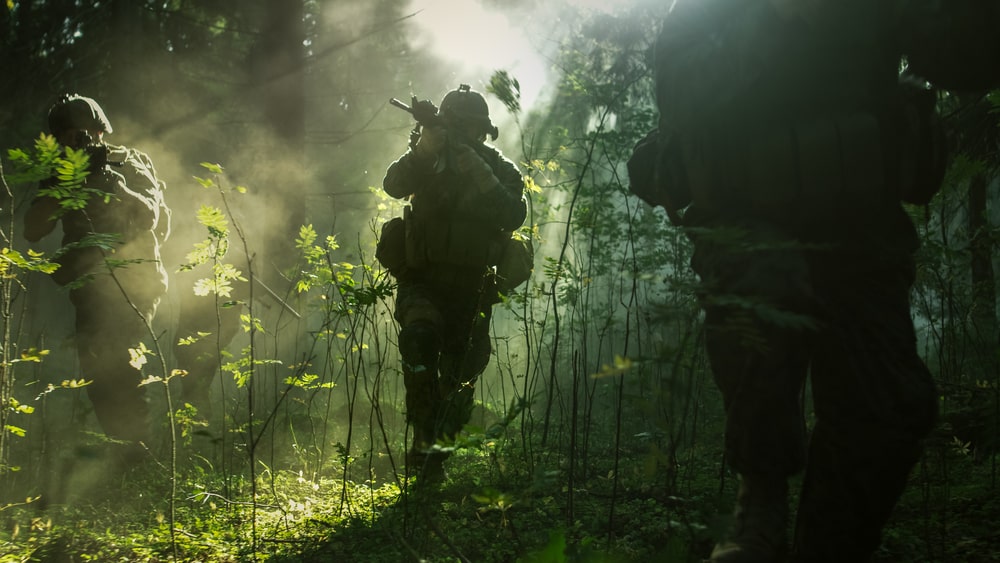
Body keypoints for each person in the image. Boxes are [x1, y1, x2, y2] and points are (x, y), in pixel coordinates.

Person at [627, 1, 1000, 561]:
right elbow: (682, 97)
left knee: (886, 409)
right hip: (748, 225)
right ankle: (761, 501)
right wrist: (778, 20)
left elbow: (962, 57)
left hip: (861, 233)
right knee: (764, 313)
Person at [379, 84, 527, 482]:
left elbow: (515, 214)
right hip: (423, 281)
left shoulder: (497, 166)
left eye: (472, 131)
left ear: (483, 132)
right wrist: (425, 149)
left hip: (472, 287)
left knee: (461, 375)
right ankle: (424, 442)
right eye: (457, 128)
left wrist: (479, 172)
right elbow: (392, 185)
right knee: (420, 340)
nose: (466, 137)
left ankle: (436, 453)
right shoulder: (427, 157)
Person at [24, 94, 170, 455]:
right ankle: (126, 450)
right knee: (96, 372)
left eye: (79, 134)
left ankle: (140, 454)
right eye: (65, 137)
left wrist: (106, 179)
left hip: (135, 280)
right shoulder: (63, 172)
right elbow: (33, 228)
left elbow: (149, 216)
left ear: (98, 131)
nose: (73, 142)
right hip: (90, 287)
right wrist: (66, 185)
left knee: (120, 361)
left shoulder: (129, 162)